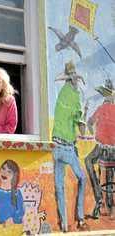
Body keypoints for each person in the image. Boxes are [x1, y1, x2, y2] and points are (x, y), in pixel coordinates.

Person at [52, 61, 88, 232]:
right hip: (66, 145)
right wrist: (81, 123)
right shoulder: (73, 94)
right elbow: (78, 121)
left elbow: (72, 117)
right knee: (82, 178)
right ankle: (80, 218)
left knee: (60, 186)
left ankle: (64, 225)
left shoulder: (62, 93)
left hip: (56, 145)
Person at [85, 79, 115, 219]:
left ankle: (99, 198)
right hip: (113, 151)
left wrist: (93, 133)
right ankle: (110, 205)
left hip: (102, 148)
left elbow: (89, 123)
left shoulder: (101, 108)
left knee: (88, 161)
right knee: (109, 173)